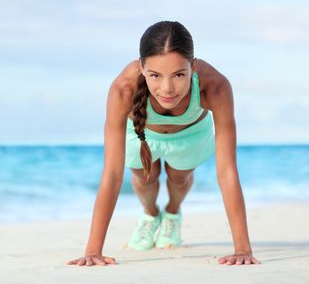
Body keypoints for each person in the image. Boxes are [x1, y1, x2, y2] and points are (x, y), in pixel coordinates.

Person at [67, 21, 260, 267]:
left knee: (179, 178)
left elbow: (227, 171)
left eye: (179, 75)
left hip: (190, 134)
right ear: (142, 68)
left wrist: (242, 249)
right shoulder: (123, 89)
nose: (167, 88)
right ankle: (150, 215)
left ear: (193, 66)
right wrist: (93, 250)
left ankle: (172, 212)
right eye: (155, 76)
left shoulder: (216, 86)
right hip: (140, 131)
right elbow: (113, 175)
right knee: (144, 178)